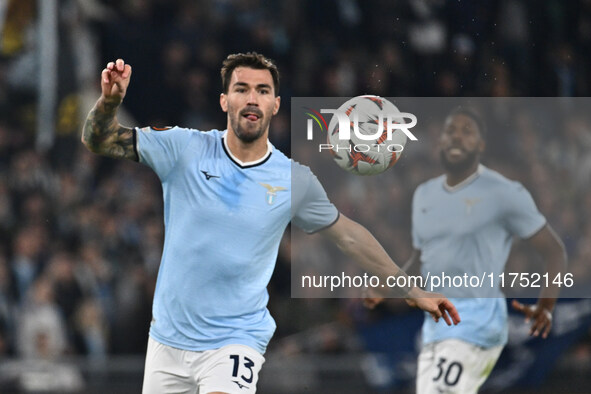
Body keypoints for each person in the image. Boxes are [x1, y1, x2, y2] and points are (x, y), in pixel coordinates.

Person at [81, 52, 460, 394]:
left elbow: (348, 236)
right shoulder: (184, 148)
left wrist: (409, 288)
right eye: (242, 88)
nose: (252, 98)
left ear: (275, 104)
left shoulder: (293, 179)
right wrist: (108, 103)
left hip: (235, 340)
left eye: (262, 90)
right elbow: (100, 140)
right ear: (224, 100)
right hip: (167, 340)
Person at [366, 107, 567, 393]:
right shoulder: (425, 195)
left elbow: (554, 251)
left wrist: (546, 305)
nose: (456, 138)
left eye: (466, 132)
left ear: (480, 146)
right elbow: (421, 258)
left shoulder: (506, 194)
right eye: (451, 132)